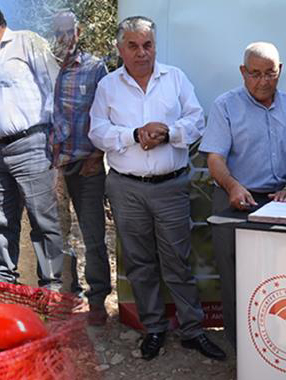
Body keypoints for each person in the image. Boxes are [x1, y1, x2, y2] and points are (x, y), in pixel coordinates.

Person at [89, 16, 225, 361]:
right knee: (139, 261)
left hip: (170, 187)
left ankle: (193, 330)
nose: (141, 52)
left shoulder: (174, 78)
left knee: (177, 261)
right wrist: (134, 135)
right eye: (133, 46)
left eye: (147, 45)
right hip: (126, 188)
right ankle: (154, 328)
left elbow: (196, 120)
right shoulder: (108, 85)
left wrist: (167, 132)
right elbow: (97, 132)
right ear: (120, 49)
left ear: (155, 46)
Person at [200, 41, 286, 349]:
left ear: (280, 71)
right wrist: (233, 186)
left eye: (271, 73)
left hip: (281, 201)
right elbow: (214, 159)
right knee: (236, 277)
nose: (264, 81)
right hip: (235, 201)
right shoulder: (225, 105)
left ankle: (281, 345)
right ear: (243, 71)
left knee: (281, 277)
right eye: (255, 73)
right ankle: (242, 349)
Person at [51, 10, 111, 326]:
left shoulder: (94, 67)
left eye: (68, 31)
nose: (63, 38)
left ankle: (98, 298)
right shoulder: (44, 67)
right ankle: (65, 293)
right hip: (52, 167)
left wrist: (96, 154)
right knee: (55, 234)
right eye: (58, 32)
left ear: (79, 31)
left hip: (87, 165)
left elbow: (106, 113)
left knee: (93, 235)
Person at [0, 8, 65, 290]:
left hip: (32, 143)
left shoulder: (27, 41)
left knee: (43, 219)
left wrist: (56, 137)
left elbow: (55, 86)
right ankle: (4, 285)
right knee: (2, 221)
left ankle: (51, 288)